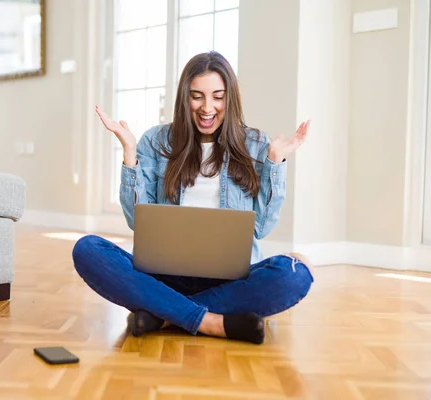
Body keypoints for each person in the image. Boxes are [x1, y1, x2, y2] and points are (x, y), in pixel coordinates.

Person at [72, 51, 313, 344]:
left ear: (230, 98)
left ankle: (162, 314)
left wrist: (274, 163)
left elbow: (261, 228)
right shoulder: (156, 141)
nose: (207, 107)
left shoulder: (255, 145)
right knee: (87, 249)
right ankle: (212, 323)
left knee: (296, 272)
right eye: (196, 96)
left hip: (230, 279)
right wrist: (130, 155)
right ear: (184, 98)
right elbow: (139, 222)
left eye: (217, 96)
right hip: (165, 275)